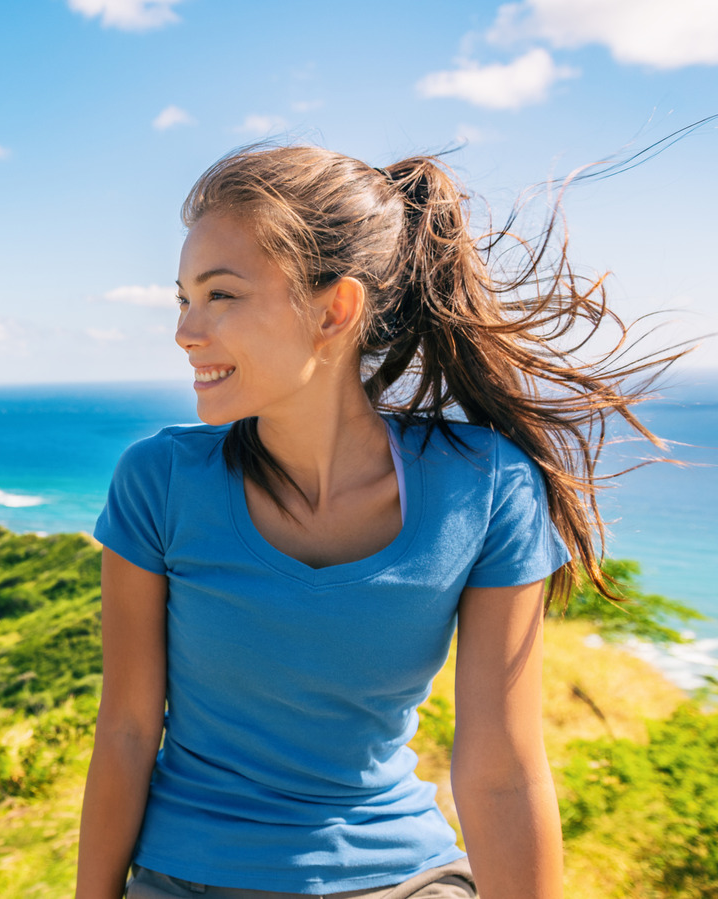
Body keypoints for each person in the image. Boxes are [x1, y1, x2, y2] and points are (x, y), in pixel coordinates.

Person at [74, 144, 690, 899]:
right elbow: (129, 730)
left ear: (335, 310)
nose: (185, 331)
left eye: (221, 295)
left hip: (404, 880)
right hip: (189, 878)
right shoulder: (159, 480)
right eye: (182, 299)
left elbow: (501, 766)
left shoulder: (488, 485)